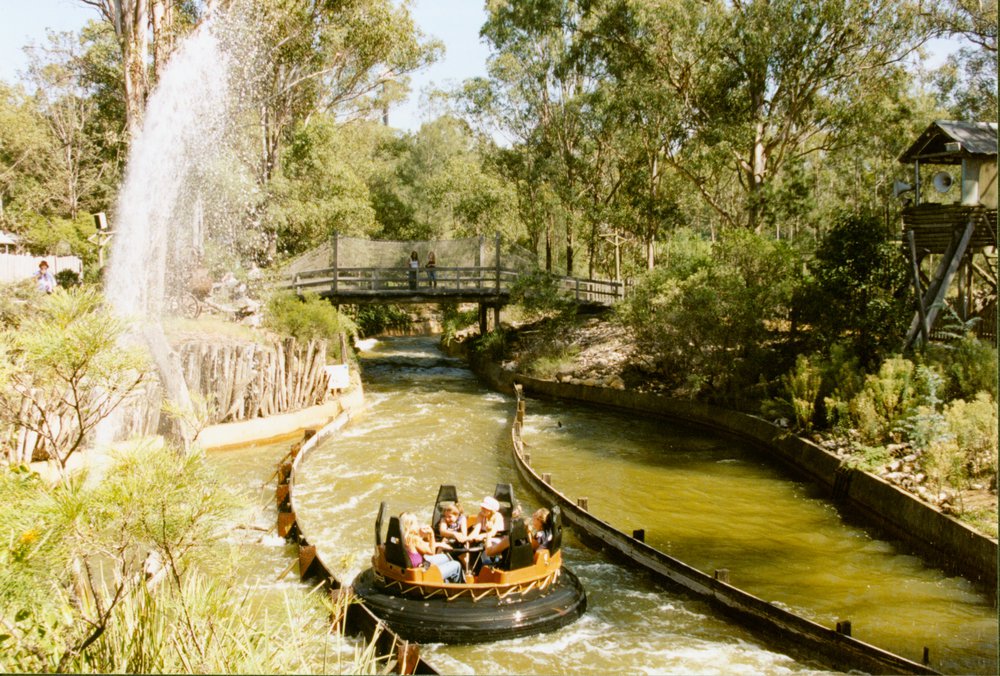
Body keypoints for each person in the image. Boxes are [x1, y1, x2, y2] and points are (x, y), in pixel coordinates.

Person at [400, 511, 463, 583]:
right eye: (416, 522)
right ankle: (454, 587)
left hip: (419, 564)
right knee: (456, 565)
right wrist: (431, 534)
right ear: (412, 525)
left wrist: (437, 543)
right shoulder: (414, 539)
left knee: (445, 557)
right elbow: (431, 552)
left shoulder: (402, 537)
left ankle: (445, 580)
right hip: (422, 570)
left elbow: (420, 547)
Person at [469, 496, 505, 567]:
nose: (483, 509)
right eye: (482, 507)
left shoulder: (498, 516)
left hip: (496, 539)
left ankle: (487, 565)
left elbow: (493, 532)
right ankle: (473, 565)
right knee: (472, 543)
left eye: (486, 508)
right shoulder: (481, 514)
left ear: (492, 510)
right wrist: (468, 538)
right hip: (485, 537)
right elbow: (476, 530)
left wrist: (481, 536)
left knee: (481, 545)